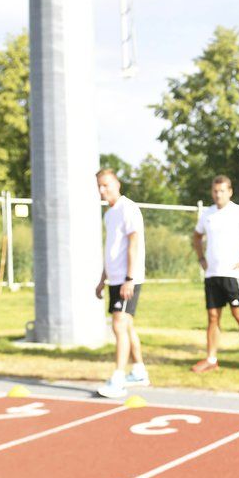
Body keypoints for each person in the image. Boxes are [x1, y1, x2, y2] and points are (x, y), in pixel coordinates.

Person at [190, 175, 239, 372]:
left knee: (238, 314)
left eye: (222, 191)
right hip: (212, 274)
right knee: (213, 317)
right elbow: (197, 236)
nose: (218, 195)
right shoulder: (207, 213)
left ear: (230, 192)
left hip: (233, 275)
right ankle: (211, 359)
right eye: (215, 191)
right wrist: (201, 258)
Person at [93, 168, 148, 399]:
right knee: (126, 326)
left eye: (106, 185)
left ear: (117, 184)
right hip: (114, 278)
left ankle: (118, 377)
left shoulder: (129, 209)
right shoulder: (109, 214)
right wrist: (102, 279)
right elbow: (112, 249)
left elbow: (133, 245)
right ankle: (139, 371)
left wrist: (129, 279)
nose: (102, 190)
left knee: (118, 325)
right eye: (99, 186)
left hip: (128, 279)